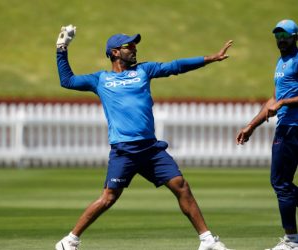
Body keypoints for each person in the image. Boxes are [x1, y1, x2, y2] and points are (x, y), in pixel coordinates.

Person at [55, 24, 233, 250]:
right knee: (109, 197)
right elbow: (67, 81)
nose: (134, 48)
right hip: (124, 150)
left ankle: (207, 240)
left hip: (150, 149)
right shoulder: (100, 79)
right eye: (128, 45)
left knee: (181, 186)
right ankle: (69, 240)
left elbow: (175, 66)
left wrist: (210, 58)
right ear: (114, 52)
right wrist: (62, 48)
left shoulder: (144, 71)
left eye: (135, 45)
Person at [236, 19, 298, 250]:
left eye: (286, 36)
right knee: (282, 183)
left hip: (293, 128)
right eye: (278, 36)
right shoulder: (281, 62)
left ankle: (292, 242)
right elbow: (274, 99)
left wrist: (284, 102)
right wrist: (251, 125)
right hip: (287, 126)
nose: (281, 40)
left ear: (295, 37)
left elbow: (280, 100)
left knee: (280, 183)